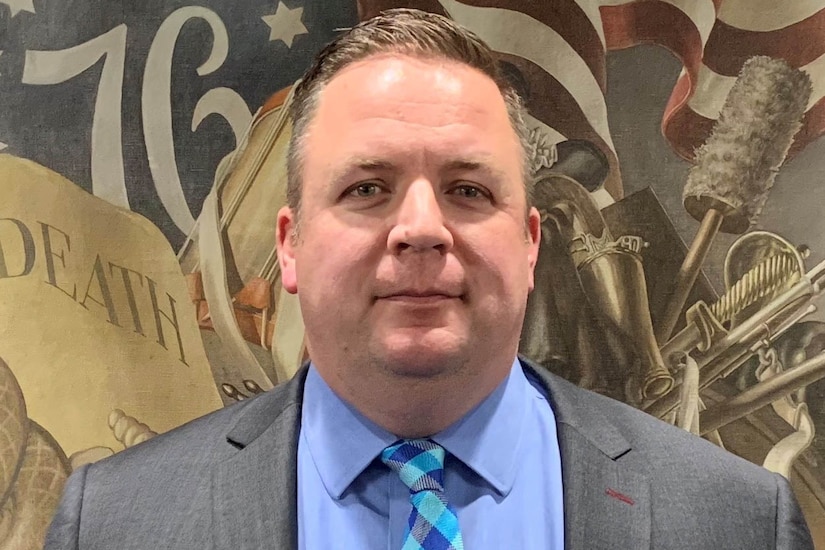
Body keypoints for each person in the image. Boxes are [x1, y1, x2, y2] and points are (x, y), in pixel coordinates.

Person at [45, 8, 813, 549]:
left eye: (469, 191)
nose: (420, 228)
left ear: (531, 241)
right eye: (365, 189)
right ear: (289, 246)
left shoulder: (733, 524)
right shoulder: (116, 525)